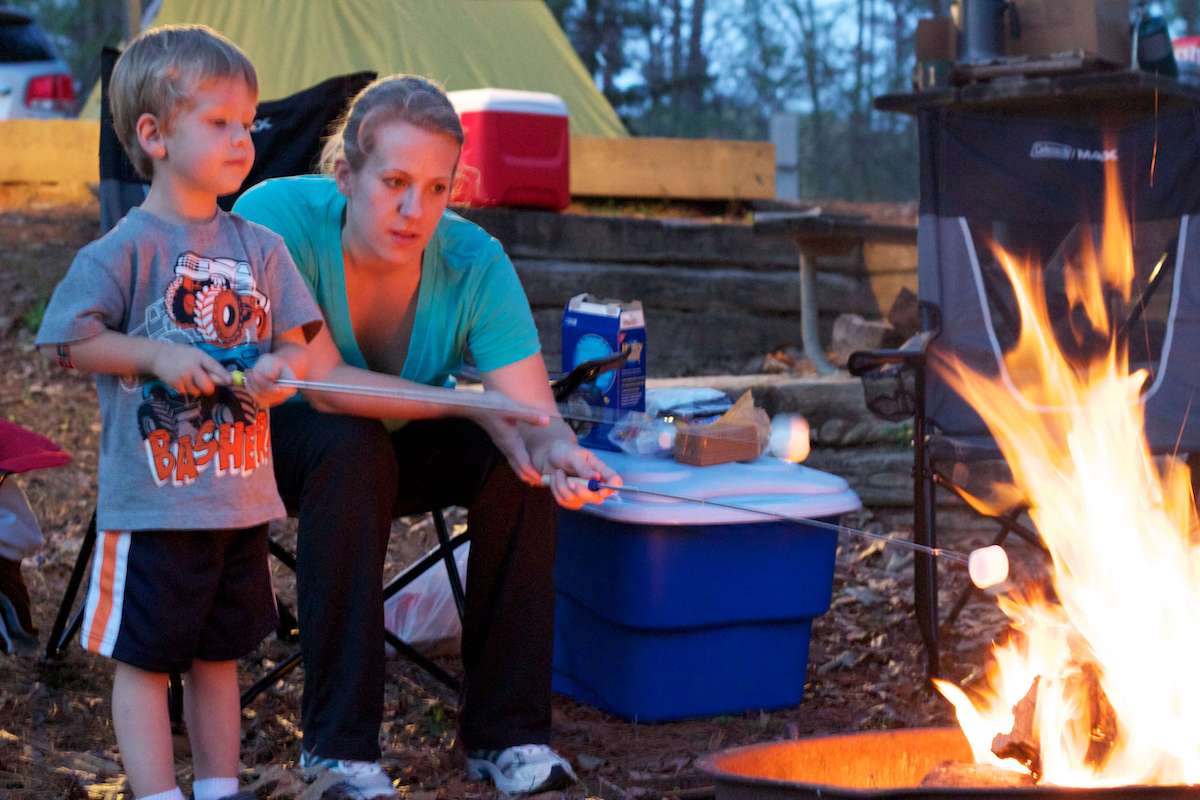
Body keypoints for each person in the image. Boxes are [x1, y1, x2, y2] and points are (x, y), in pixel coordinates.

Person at [233, 74, 621, 797]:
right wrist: (478, 407)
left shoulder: (473, 262)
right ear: (345, 175)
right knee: (353, 448)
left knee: (517, 468)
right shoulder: (275, 216)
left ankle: (509, 738)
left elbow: (532, 413)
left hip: (391, 445)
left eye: (438, 188)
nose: (417, 210)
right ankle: (339, 755)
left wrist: (561, 453)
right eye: (395, 182)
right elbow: (324, 385)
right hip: (274, 445)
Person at [34, 26, 326, 800]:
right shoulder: (122, 249)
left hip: (237, 503)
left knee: (220, 657)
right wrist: (159, 356)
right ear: (154, 136)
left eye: (248, 124)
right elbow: (68, 341)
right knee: (146, 659)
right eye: (219, 122)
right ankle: (159, 792)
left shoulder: (261, 247)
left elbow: (300, 351)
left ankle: (218, 789)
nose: (242, 139)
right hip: (155, 507)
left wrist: (279, 373)